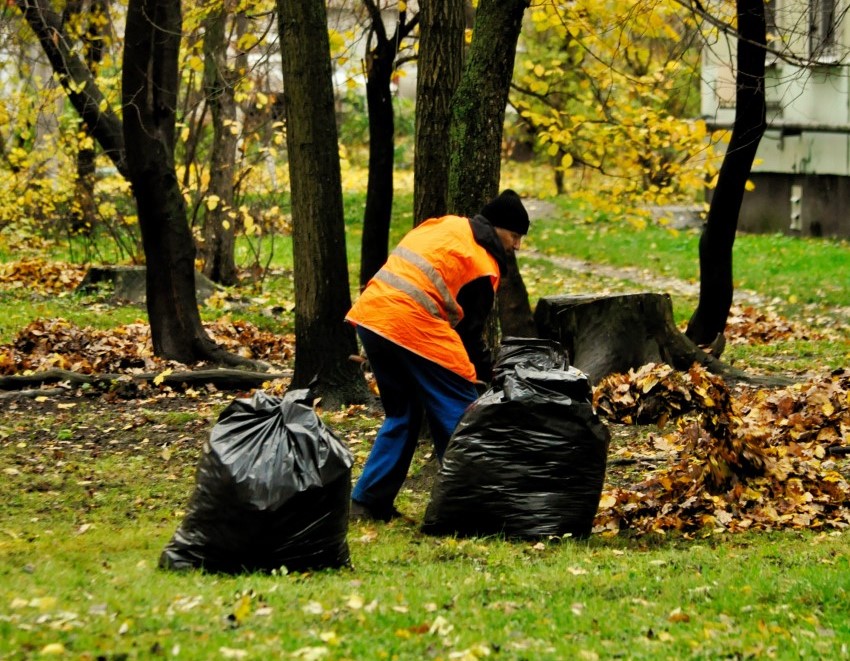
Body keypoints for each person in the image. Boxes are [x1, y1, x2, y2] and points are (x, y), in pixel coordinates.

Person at [345, 190, 530, 522]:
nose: (516, 246)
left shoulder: (444, 225)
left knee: (403, 414)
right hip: (413, 326)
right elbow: (469, 333)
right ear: (497, 227)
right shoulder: (480, 263)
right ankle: (466, 508)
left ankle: (367, 503)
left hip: (372, 319)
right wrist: (487, 376)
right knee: (463, 418)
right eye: (514, 236)